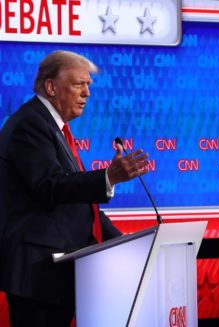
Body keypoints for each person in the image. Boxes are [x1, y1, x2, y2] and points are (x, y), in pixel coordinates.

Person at [0, 50, 150, 327]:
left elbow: (79, 206)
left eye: (89, 85)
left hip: (56, 276)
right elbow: (50, 185)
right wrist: (108, 177)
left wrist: (129, 243)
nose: (87, 93)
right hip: (37, 277)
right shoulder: (30, 125)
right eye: (79, 84)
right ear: (51, 86)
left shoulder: (54, 128)